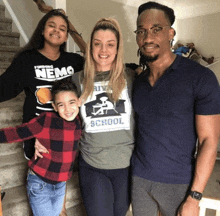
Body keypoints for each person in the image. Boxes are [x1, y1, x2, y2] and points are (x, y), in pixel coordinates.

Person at [131, 2, 220, 216]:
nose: (148, 37)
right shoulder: (138, 83)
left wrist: (195, 197)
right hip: (139, 181)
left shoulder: (200, 78)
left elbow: (209, 140)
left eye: (156, 29)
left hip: (179, 185)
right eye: (141, 31)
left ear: (171, 33)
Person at [0, 79, 82, 216]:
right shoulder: (46, 120)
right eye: (61, 105)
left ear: (79, 102)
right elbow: (17, 133)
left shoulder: (78, 121)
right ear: (55, 107)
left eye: (71, 102)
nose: (67, 109)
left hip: (61, 184)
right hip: (40, 183)